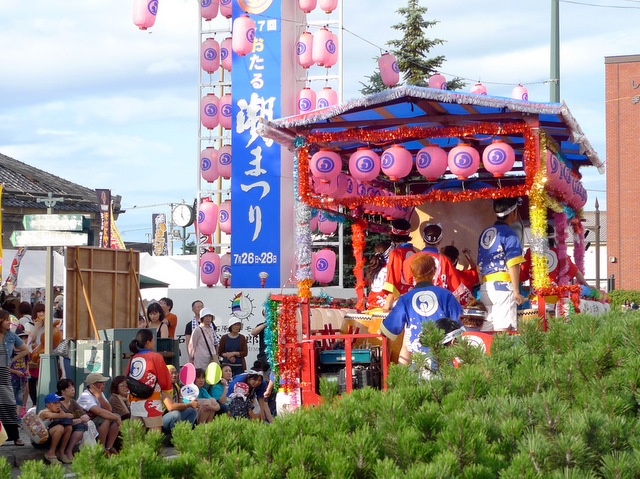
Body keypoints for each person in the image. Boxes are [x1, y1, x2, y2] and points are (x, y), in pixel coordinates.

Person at [381, 254, 462, 365]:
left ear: (413, 274)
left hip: (418, 363)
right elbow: (459, 324)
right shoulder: (446, 295)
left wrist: (381, 330)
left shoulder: (405, 299)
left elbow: (389, 328)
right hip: (444, 361)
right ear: (434, 271)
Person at [477, 197, 526, 332]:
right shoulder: (510, 234)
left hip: (486, 288)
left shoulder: (485, 233)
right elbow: (513, 263)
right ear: (512, 213)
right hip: (503, 288)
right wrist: (516, 291)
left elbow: (479, 264)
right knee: (504, 331)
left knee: (487, 331)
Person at [520, 224, 591, 312]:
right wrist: (587, 285)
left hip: (536, 301)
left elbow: (522, 275)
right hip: (557, 302)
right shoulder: (560, 253)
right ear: (553, 237)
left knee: (538, 320)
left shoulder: (531, 253)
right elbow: (576, 271)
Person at [402, 223, 472, 305]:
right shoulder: (445, 261)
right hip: (438, 307)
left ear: (423, 239)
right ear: (440, 240)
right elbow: (456, 292)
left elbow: (405, 284)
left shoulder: (410, 259)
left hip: (414, 306)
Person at [127, 328, 172, 432]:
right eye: (153, 340)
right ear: (148, 342)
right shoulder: (155, 357)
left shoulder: (132, 358)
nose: (154, 343)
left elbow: (127, 376)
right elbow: (164, 380)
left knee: (135, 436)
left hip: (135, 401)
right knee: (154, 436)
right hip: (151, 401)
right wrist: (167, 393)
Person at [0, 309, 29, 446]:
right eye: (6, 319)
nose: (9, 322)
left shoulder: (11, 336)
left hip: (4, 372)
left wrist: (12, 360)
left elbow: (26, 350)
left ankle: (14, 436)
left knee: (9, 403)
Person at [77, 372, 121, 455]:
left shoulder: (100, 394)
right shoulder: (85, 396)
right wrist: (116, 418)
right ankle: (101, 448)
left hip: (96, 421)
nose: (104, 385)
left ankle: (109, 447)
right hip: (87, 423)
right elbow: (99, 411)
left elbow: (109, 409)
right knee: (106, 419)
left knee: (116, 416)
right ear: (93, 385)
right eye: (101, 382)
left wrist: (99, 396)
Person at [382, 219, 418, 312]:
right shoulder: (414, 253)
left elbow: (394, 280)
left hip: (400, 300)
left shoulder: (396, 253)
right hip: (414, 297)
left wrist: (387, 304)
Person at [57, 378, 90, 461]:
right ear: (63, 391)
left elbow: (84, 414)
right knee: (73, 425)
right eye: (69, 388)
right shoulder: (58, 404)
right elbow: (63, 421)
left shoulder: (73, 402)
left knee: (81, 427)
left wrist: (85, 417)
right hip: (61, 429)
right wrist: (80, 420)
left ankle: (69, 450)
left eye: (73, 387)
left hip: (73, 426)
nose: (73, 389)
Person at [37, 393, 73, 464]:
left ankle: (61, 452)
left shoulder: (58, 412)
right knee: (59, 428)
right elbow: (51, 415)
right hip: (39, 439)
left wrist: (62, 413)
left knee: (68, 427)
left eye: (59, 403)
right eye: (55, 403)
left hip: (49, 438)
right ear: (48, 405)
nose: (58, 405)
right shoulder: (44, 412)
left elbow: (71, 415)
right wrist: (62, 414)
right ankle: (50, 453)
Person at [162, 365, 198, 434]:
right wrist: (189, 404)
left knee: (192, 411)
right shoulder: (163, 387)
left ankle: (186, 434)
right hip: (162, 418)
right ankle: (175, 436)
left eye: (175, 373)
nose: (174, 375)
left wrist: (192, 401)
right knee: (176, 414)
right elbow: (171, 407)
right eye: (171, 373)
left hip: (174, 414)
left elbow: (181, 403)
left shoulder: (176, 386)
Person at [364, 241, 392, 312]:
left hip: (371, 307)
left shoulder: (373, 268)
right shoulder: (389, 269)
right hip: (384, 309)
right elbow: (392, 290)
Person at [9, 327, 29, 419]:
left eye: (25, 339)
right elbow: (7, 368)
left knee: (20, 398)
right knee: (12, 397)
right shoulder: (11, 352)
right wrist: (16, 372)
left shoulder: (25, 353)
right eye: (21, 339)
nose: (23, 341)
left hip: (22, 378)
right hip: (13, 378)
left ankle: (17, 417)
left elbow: (27, 362)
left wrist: (27, 370)